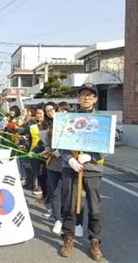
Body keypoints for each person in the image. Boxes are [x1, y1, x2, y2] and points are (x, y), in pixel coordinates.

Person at [59, 83, 106, 261]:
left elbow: (106, 145)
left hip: (92, 169)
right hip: (71, 168)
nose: (86, 98)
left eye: (90, 95)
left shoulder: (102, 121)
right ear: (78, 98)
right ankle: (68, 238)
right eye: (83, 94)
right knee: (69, 206)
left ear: (95, 98)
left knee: (94, 208)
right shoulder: (68, 119)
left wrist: (91, 156)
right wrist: (68, 159)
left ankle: (95, 241)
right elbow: (60, 143)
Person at [41, 101, 84, 236]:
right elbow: (48, 145)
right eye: (56, 111)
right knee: (55, 193)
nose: (57, 113)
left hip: (71, 165)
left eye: (63, 111)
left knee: (73, 195)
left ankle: (77, 223)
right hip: (53, 165)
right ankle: (58, 220)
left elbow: (81, 143)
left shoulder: (77, 125)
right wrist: (47, 151)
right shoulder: (50, 129)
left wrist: (63, 152)